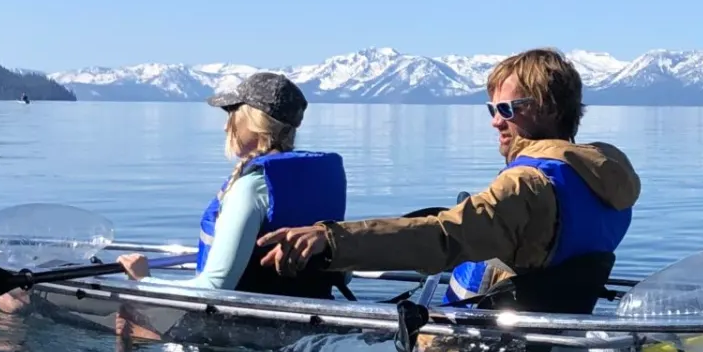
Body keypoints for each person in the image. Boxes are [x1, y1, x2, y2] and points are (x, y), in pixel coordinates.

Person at [254, 48, 639, 314]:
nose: (495, 121)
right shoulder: (601, 176)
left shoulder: (527, 185)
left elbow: (443, 239)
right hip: (555, 331)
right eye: (492, 108)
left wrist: (331, 238)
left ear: (549, 109)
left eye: (507, 109)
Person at [119, 70, 347, 294]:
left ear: (255, 122)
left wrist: (143, 279)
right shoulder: (319, 178)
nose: (226, 126)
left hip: (253, 321)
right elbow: (344, 274)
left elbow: (214, 288)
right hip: (311, 309)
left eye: (233, 114)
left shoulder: (252, 188)